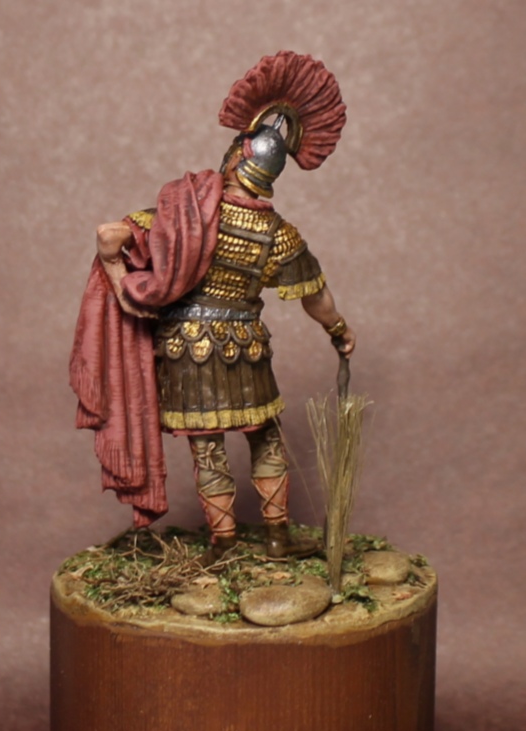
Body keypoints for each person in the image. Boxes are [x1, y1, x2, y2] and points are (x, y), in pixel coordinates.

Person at [70, 51, 355, 560]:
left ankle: (223, 542)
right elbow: (317, 297)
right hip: (245, 349)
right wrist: (340, 331)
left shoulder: (185, 214)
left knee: (207, 447)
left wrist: (125, 287)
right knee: (266, 438)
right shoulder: (278, 233)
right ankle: (276, 537)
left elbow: (110, 236)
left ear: (237, 157)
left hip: (186, 351)